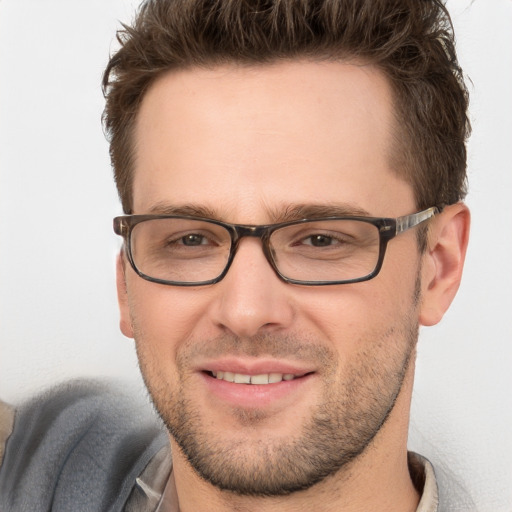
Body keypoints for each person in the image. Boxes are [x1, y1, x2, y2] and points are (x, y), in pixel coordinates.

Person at [0, 0, 473, 510]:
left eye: (320, 240)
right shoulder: (43, 458)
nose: (246, 311)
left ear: (438, 267)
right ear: (126, 283)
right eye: (190, 240)